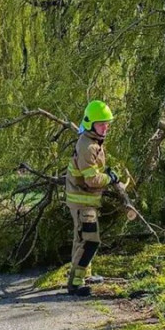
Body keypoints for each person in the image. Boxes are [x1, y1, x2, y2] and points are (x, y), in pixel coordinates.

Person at [64, 100, 119, 296]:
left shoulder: (93, 141)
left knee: (81, 239)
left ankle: (84, 274)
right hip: (82, 201)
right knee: (89, 241)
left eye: (107, 123)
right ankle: (75, 284)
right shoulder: (88, 146)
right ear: (90, 123)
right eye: (101, 123)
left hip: (84, 200)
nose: (105, 127)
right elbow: (91, 179)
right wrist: (109, 178)